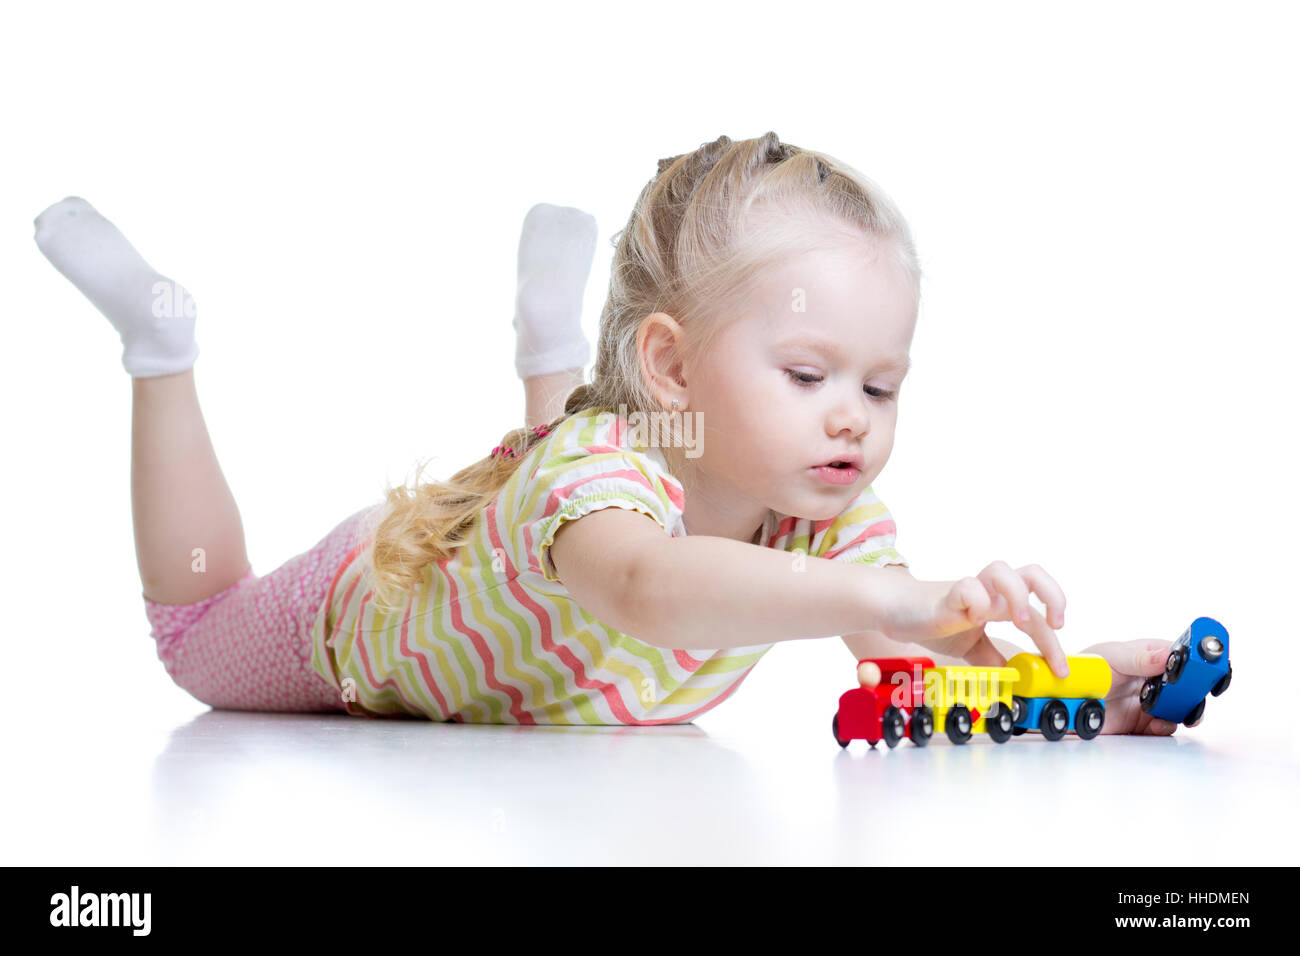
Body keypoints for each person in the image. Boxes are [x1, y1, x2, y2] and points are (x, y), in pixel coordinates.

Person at [33, 131, 1185, 733]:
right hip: (369, 600)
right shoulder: (604, 481)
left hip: (534, 537)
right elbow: (643, 582)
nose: (851, 415)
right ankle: (161, 347)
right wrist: (896, 599)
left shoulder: (828, 521)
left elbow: (906, 674)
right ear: (671, 362)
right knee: (196, 635)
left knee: (563, 464)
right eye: (807, 371)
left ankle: (550, 347)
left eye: (881, 388)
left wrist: (1075, 678)